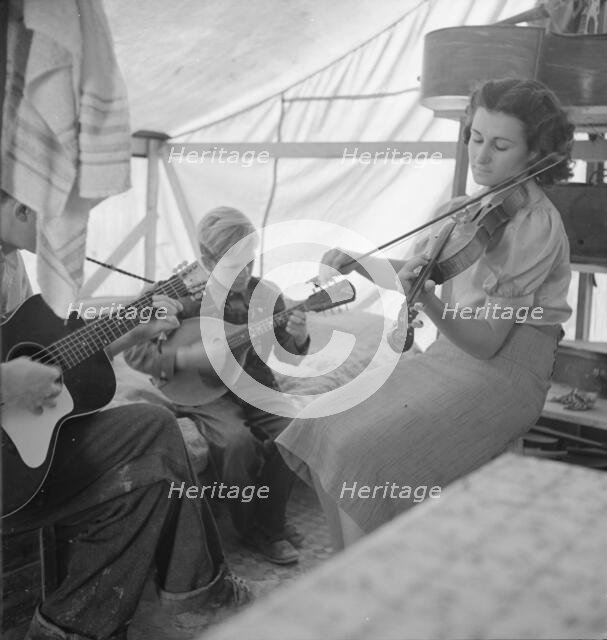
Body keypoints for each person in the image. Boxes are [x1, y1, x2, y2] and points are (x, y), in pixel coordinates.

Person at [275, 78, 574, 550]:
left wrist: (428, 298)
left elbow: (487, 342)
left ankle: (370, 585)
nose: (481, 155)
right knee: (319, 421)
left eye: (500, 145)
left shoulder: (535, 225)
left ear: (535, 153)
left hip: (505, 374)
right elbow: (425, 271)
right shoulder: (467, 209)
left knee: (361, 453)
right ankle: (349, 570)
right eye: (475, 138)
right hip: (447, 359)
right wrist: (364, 263)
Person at [0, 192, 252, 640]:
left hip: (16, 457)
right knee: (152, 460)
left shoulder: (11, 263)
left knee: (154, 432)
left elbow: (52, 361)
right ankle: (201, 595)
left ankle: (68, 626)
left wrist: (128, 334)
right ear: (22, 209)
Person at [124, 207, 310, 565]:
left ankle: (270, 522)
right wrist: (181, 360)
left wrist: (299, 336)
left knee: (296, 430)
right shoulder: (174, 294)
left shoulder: (263, 294)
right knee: (236, 442)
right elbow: (134, 352)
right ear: (207, 258)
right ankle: (253, 530)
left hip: (254, 384)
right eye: (233, 263)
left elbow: (288, 350)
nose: (244, 273)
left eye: (250, 262)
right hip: (202, 393)